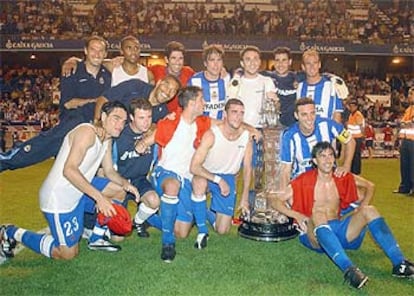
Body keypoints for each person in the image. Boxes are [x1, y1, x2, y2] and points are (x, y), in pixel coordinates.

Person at [0, 101, 139, 261]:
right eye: (116, 118)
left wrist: (126, 184)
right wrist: (99, 198)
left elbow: (108, 171)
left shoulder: (107, 139)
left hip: (80, 191)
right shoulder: (87, 132)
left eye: (123, 121)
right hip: (59, 197)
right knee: (67, 254)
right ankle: (11, 231)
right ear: (103, 116)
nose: (120, 125)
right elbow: (69, 170)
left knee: (119, 190)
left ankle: (96, 239)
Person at [272, 141, 414, 289]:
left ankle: (400, 264)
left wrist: (361, 207)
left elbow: (370, 186)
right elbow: (276, 200)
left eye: (330, 155)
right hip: (315, 235)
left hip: (339, 229)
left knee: (370, 210)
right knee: (318, 212)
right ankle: (349, 270)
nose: (327, 160)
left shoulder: (341, 176)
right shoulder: (304, 180)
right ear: (314, 161)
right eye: (322, 156)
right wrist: (297, 215)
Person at [0, 36, 111, 172]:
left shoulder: (107, 75)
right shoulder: (73, 70)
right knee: (43, 145)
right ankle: (5, 160)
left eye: (101, 51)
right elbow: (68, 104)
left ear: (105, 54)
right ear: (85, 51)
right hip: (74, 121)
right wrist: (96, 100)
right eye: (93, 49)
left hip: (97, 123)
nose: (97, 54)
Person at [136, 86, 211, 262]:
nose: (205, 103)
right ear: (192, 103)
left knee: (182, 232)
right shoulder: (169, 122)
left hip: (186, 177)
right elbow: (143, 144)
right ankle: (167, 244)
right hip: (165, 173)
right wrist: (141, 142)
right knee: (172, 186)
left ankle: (147, 219)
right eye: (202, 100)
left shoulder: (202, 122)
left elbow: (223, 124)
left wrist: (250, 129)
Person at [190, 99, 253, 239]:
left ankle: (201, 210)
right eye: (234, 112)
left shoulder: (246, 137)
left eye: (242, 113)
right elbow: (194, 166)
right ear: (225, 114)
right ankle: (202, 230)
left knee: (222, 230)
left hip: (227, 177)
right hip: (206, 174)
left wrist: (245, 198)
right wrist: (217, 180)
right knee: (199, 183)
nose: (238, 116)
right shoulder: (212, 134)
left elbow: (248, 169)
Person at [279, 97, 356, 190]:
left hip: (329, 180)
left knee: (362, 191)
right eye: (304, 114)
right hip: (303, 184)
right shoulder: (290, 135)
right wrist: (284, 196)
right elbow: (285, 170)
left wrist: (346, 166)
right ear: (296, 115)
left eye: (312, 113)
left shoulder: (328, 125)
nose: (309, 118)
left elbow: (350, 141)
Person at [113, 99, 159, 238]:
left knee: (154, 200)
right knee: (118, 237)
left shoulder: (153, 134)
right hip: (118, 182)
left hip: (139, 179)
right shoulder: (119, 135)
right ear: (131, 117)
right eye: (141, 118)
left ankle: (138, 222)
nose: (146, 122)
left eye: (149, 117)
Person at [62, 35, 154, 86]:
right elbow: (93, 61)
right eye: (129, 48)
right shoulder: (112, 67)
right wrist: (73, 60)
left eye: (136, 48)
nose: (133, 52)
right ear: (121, 51)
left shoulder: (147, 74)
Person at [94, 74, 181, 124]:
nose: (167, 92)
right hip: (106, 126)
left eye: (173, 91)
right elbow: (104, 98)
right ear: (158, 82)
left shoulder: (162, 113)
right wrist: (97, 122)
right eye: (166, 85)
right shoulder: (136, 86)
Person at [296, 49, 344, 123]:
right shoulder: (299, 87)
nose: (312, 66)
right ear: (303, 67)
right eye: (308, 63)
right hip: (305, 133)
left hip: (326, 133)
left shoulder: (333, 86)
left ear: (319, 65)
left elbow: (337, 114)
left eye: (315, 63)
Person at [149, 41, 195, 113]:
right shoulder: (156, 69)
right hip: (157, 114)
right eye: (174, 58)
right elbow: (139, 71)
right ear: (167, 59)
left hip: (178, 116)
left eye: (180, 58)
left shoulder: (189, 72)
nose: (177, 62)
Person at [188, 44, 230, 120]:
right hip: (200, 127)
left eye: (219, 60)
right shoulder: (195, 81)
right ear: (205, 63)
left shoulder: (227, 79)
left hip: (221, 128)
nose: (216, 64)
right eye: (212, 60)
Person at [262, 46, 299, 127]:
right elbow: (245, 72)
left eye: (284, 60)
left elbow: (317, 75)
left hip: (292, 125)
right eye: (277, 60)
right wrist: (237, 74)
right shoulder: (266, 77)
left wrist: (332, 77)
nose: (280, 64)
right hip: (271, 126)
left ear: (290, 62)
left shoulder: (298, 77)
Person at [394, 87, 414, 195]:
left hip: (413, 141)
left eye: (411, 94)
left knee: (412, 166)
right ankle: (404, 187)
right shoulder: (409, 109)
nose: (409, 96)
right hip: (406, 140)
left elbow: (407, 123)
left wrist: (405, 123)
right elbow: (404, 123)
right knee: (404, 165)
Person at [346, 99, 365, 175]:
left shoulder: (357, 114)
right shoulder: (352, 114)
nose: (351, 108)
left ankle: (356, 171)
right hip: (352, 137)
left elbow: (361, 126)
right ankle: (353, 170)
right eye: (350, 106)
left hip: (357, 137)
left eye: (352, 106)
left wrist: (363, 136)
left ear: (356, 107)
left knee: (356, 155)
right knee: (353, 154)